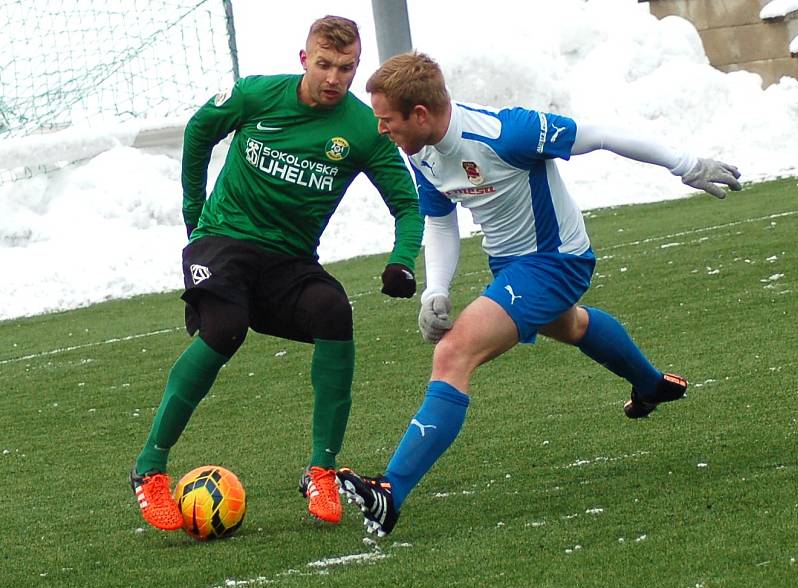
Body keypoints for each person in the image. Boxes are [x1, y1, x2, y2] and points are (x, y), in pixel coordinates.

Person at [336, 52, 742, 536]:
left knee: (453, 353)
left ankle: (390, 492)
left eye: (387, 120)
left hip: (556, 262)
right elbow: (441, 218)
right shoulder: (418, 147)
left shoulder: (509, 133)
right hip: (512, 267)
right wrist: (436, 291)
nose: (381, 130)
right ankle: (651, 385)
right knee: (571, 325)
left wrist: (687, 164)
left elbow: (602, 136)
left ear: (419, 114)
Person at [130, 16, 423, 531]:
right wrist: (193, 213)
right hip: (223, 239)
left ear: (357, 68)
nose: (334, 77)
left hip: (289, 262)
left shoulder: (362, 129)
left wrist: (402, 259)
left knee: (333, 310)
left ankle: (322, 470)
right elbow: (200, 129)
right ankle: (149, 470)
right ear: (304, 59)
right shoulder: (256, 95)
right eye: (325, 64)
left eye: (347, 68)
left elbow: (406, 203)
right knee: (225, 328)